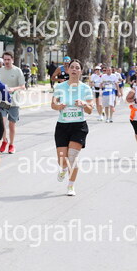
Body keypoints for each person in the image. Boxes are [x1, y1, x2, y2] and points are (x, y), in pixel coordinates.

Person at [51, 59, 94, 196]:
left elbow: (90, 110)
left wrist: (83, 104)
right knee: (62, 160)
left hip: (79, 126)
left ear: (81, 71)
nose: (74, 69)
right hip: (62, 126)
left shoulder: (86, 89)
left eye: (77, 68)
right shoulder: (60, 87)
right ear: (68, 70)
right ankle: (63, 168)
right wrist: (59, 106)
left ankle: (71, 185)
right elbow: (53, 105)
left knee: (72, 156)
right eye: (72, 67)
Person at [0, 52, 26, 154]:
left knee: (11, 125)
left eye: (8, 59)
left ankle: (11, 144)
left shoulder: (17, 71)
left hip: (14, 102)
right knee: (2, 122)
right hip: (2, 101)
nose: (6, 61)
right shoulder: (0, 71)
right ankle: (4, 140)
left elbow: (23, 86)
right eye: (5, 59)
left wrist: (13, 89)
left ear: (12, 60)